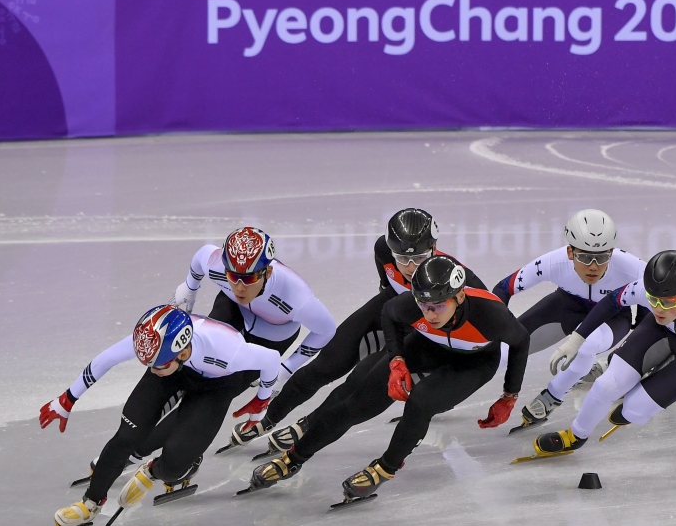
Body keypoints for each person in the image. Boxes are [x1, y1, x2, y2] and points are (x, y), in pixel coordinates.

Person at [242, 255, 531, 501]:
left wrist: (509, 395)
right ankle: (294, 458)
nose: (430, 313)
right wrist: (396, 360)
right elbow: (390, 314)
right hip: (429, 346)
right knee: (358, 403)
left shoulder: (492, 315)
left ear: (458, 297)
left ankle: (386, 467)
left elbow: (521, 342)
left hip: (474, 361)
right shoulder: (412, 307)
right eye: (423, 305)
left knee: (421, 402)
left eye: (438, 306)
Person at [221, 209, 487, 456]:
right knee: (327, 363)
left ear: (435, 248)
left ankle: (309, 424)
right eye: (402, 257)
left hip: (419, 330)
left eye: (418, 257)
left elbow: (491, 318)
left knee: (360, 380)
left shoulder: (460, 279)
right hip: (390, 309)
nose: (409, 266)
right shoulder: (383, 250)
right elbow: (387, 281)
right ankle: (269, 417)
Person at [525, 250, 676, 479]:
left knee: (633, 410)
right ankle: (575, 436)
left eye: (667, 302)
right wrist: (577, 339)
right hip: (664, 329)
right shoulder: (654, 298)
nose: (658, 307)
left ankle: (638, 399)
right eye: (653, 301)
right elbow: (613, 301)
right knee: (607, 386)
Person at [39, 305, 281, 526]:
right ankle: (90, 503)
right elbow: (108, 358)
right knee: (126, 436)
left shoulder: (230, 351)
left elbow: (271, 359)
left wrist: (261, 401)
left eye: (156, 364)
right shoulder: (154, 340)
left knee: (176, 462)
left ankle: (153, 471)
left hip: (217, 387)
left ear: (183, 353)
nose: (151, 369)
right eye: (147, 363)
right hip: (173, 372)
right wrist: (68, 398)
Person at [170, 226, 336, 448]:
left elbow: (326, 330)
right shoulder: (218, 264)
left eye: (248, 278)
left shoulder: (296, 296)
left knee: (223, 386)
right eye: (232, 276)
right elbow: (202, 256)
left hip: (272, 333)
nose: (239, 286)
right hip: (234, 310)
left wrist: (286, 369)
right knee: (200, 354)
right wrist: (189, 288)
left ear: (267, 272)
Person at [492, 209, 646, 428]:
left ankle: (552, 396)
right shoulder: (554, 261)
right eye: (583, 256)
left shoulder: (633, 267)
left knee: (586, 346)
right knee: (500, 353)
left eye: (602, 257)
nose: (593, 266)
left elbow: (652, 308)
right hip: (564, 308)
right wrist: (494, 328)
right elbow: (503, 288)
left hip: (612, 317)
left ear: (612, 252)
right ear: (569, 252)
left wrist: (635, 356)